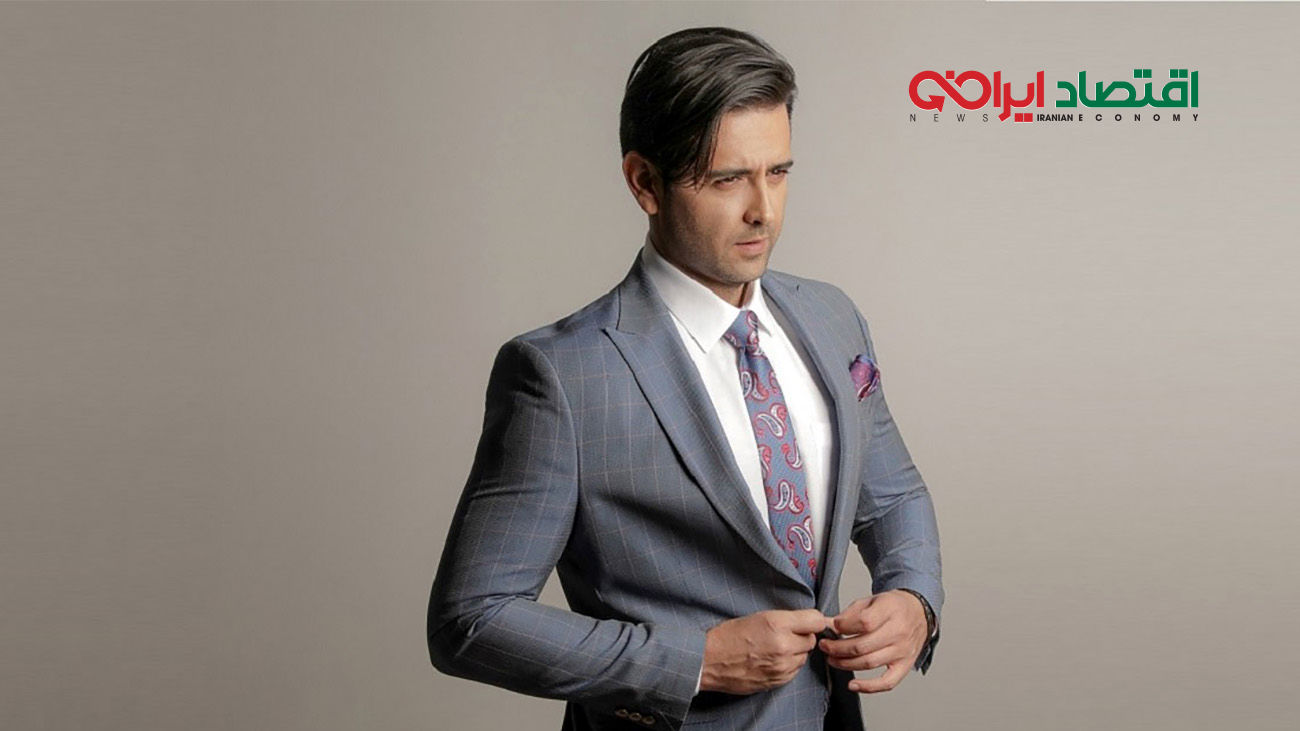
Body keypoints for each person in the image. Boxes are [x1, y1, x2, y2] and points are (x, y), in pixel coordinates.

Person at [428, 27, 942, 731]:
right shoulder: (561, 376)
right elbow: (471, 619)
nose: (763, 209)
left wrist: (914, 597)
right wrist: (692, 660)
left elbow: (893, 497)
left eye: (778, 172)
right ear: (645, 182)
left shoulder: (832, 318)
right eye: (728, 179)